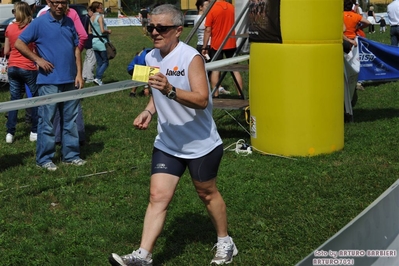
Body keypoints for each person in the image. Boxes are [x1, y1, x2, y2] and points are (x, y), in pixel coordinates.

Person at [108, 4, 237, 266]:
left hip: (200, 144)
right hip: (167, 142)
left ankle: (225, 242)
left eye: (161, 28)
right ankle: (143, 255)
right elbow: (157, 92)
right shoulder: (150, 57)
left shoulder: (191, 58)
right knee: (157, 197)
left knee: (207, 193)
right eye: (151, 27)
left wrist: (170, 90)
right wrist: (148, 111)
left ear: (178, 30)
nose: (155, 32)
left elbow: (201, 100)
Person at [15, 0, 85, 171]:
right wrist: (37, 60)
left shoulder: (69, 22)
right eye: (55, 2)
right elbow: (19, 43)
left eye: (63, 2)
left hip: (70, 80)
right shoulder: (39, 23)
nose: (59, 6)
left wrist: (79, 74)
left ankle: (71, 156)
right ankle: (44, 159)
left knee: (71, 121)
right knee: (46, 122)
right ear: (48, 2)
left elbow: (76, 48)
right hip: (48, 82)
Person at [4, 1, 39, 144]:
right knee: (35, 99)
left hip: (12, 66)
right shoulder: (31, 27)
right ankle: (34, 130)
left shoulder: (9, 27)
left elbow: (6, 51)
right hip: (28, 66)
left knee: (14, 100)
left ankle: (10, 133)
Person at [202, 0, 242, 98]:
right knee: (235, 70)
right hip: (231, 42)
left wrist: (204, 46)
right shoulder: (232, 7)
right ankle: (240, 94)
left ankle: (215, 96)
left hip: (217, 44)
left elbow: (208, 30)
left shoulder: (212, 8)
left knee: (216, 69)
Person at [90, 1, 111, 86]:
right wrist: (108, 31)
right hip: (102, 42)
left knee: (99, 62)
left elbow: (89, 31)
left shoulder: (91, 18)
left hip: (94, 42)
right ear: (97, 8)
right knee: (105, 62)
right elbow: (102, 31)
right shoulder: (100, 17)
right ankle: (98, 78)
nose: (102, 9)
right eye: (101, 7)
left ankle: (97, 79)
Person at [82, 7, 95, 83]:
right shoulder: (87, 19)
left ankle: (84, 75)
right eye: (92, 11)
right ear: (89, 11)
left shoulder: (85, 18)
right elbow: (84, 31)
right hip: (89, 41)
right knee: (91, 59)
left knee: (87, 59)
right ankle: (89, 77)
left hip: (87, 42)